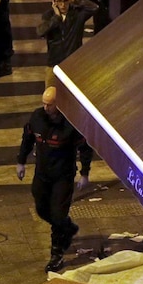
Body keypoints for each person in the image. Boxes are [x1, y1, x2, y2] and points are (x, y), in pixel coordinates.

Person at [16, 86, 93, 272]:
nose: (45, 108)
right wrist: (21, 162)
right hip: (42, 174)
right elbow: (27, 139)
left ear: (59, 106)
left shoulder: (71, 125)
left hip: (63, 176)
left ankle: (56, 253)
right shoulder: (37, 118)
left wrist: (84, 173)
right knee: (42, 210)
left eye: (49, 105)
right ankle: (67, 227)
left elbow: (85, 148)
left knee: (58, 214)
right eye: (43, 103)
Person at [36, 0, 97, 88]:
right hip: (54, 64)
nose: (63, 5)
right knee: (50, 96)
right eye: (59, 1)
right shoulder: (49, 16)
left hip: (74, 63)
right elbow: (41, 31)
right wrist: (56, 18)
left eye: (65, 1)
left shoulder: (77, 14)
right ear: (53, 2)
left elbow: (94, 7)